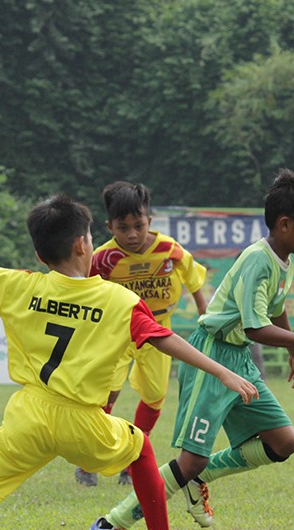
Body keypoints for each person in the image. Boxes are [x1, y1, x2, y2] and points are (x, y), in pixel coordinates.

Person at [0, 194, 258, 530]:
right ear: (83, 244)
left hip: (28, 414)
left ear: (40, 256)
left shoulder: (20, 284)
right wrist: (223, 371)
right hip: (81, 419)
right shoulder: (117, 300)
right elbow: (165, 339)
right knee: (140, 447)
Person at [86, 169, 294, 530]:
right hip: (211, 354)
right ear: (284, 224)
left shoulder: (283, 260)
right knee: (189, 459)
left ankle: (200, 477)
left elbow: (274, 309)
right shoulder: (258, 260)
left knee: (283, 442)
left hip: (237, 358)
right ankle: (110, 524)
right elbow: (257, 327)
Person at [74, 181, 208, 487]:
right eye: (123, 228)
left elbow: (195, 281)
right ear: (110, 226)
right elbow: (84, 292)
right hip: (116, 332)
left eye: (139, 225)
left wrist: (205, 316)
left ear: (149, 220)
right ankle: (89, 459)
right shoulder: (102, 258)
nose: (132, 234)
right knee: (104, 393)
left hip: (159, 333)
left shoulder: (170, 250)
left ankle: (133, 459)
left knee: (154, 398)